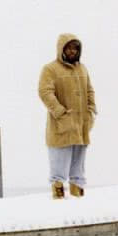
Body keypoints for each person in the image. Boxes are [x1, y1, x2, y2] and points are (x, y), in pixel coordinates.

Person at [38, 34, 97, 199]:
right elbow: (45, 91)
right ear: (61, 49)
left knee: (79, 159)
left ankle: (77, 190)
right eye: (69, 48)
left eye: (75, 48)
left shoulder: (82, 68)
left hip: (82, 123)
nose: (72, 51)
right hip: (61, 123)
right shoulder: (50, 69)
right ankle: (57, 191)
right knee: (59, 157)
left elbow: (90, 90)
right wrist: (60, 111)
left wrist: (91, 110)